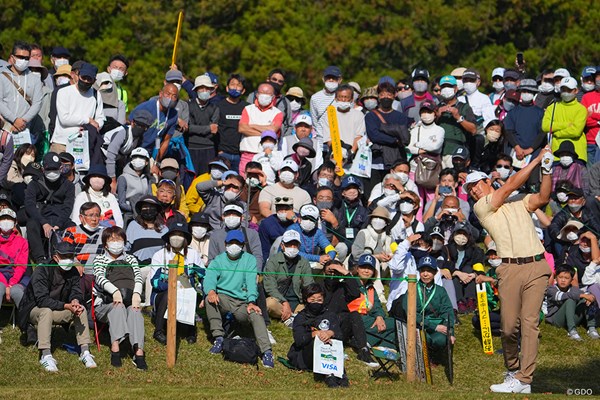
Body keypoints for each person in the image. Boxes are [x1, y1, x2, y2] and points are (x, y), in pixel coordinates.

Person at [466, 146, 554, 393]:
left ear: (487, 181)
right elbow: (509, 186)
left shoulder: (519, 200)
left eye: (475, 185)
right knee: (507, 327)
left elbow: (543, 199)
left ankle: (525, 379)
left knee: (529, 323)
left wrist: (546, 170)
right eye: (469, 189)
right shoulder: (481, 207)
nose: (473, 191)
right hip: (509, 268)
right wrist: (537, 159)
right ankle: (513, 370)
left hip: (536, 265)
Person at [18, 241, 96, 372]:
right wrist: (66, 305)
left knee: (80, 309)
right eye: (64, 256)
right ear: (55, 257)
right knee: (46, 311)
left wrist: (75, 301)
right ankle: (46, 355)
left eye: (71, 256)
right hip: (34, 310)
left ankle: (85, 352)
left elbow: (76, 291)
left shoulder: (73, 272)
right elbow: (42, 300)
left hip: (59, 309)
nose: (68, 260)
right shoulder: (41, 270)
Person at [204, 230, 274, 368]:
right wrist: (211, 291)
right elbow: (209, 277)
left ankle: (267, 351)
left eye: (238, 243)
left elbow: (251, 282)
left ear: (243, 245)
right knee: (209, 299)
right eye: (231, 242)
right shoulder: (218, 260)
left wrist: (252, 301)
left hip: (242, 302)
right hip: (224, 298)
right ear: (225, 244)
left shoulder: (249, 259)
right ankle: (218, 338)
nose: (234, 245)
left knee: (256, 314)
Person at [92, 226, 147, 369]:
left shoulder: (131, 259)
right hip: (105, 304)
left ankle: (138, 352)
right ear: (105, 244)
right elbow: (99, 278)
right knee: (118, 307)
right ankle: (115, 348)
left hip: (129, 300)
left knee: (135, 311)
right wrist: (115, 292)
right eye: (112, 239)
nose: (116, 242)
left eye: (119, 239)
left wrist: (136, 295)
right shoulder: (99, 259)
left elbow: (138, 278)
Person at [149, 221, 204, 345]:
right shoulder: (159, 255)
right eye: (174, 234)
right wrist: (172, 286)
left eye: (180, 235)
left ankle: (191, 330)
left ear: (185, 238)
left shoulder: (193, 254)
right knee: (169, 293)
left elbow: (203, 275)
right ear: (168, 237)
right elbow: (154, 281)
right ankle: (158, 330)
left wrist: (204, 292)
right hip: (163, 292)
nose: (177, 238)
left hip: (187, 291)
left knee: (191, 293)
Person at [287, 282, 348, 388]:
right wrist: (315, 334)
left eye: (319, 300)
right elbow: (299, 340)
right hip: (306, 355)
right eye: (312, 299)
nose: (316, 302)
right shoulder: (300, 317)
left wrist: (330, 333)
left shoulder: (330, 315)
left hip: (328, 352)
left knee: (332, 342)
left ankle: (340, 374)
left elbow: (340, 335)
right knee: (316, 341)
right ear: (306, 299)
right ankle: (329, 375)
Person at [390, 256, 455, 354]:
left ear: (435, 272)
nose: (425, 274)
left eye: (429, 271)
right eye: (422, 270)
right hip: (417, 325)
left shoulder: (441, 291)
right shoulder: (412, 289)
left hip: (436, 325)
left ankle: (434, 355)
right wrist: (433, 326)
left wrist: (449, 331)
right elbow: (409, 312)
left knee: (441, 339)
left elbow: (447, 312)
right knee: (423, 339)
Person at [25, 152, 75, 263]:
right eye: (49, 169)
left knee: (72, 227)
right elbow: (30, 205)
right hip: (41, 216)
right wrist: (44, 223)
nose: (52, 173)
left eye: (55, 169)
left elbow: (68, 206)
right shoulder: (34, 183)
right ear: (43, 169)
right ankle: (40, 259)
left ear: (61, 168)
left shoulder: (68, 185)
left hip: (59, 217)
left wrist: (58, 224)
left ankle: (67, 256)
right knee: (32, 224)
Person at [52, 62, 105, 157]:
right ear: (78, 76)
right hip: (62, 143)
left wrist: (92, 127)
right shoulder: (63, 92)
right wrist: (88, 120)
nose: (86, 81)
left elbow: (100, 118)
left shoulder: (96, 95)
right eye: (83, 77)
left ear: (94, 80)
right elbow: (64, 119)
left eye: (89, 79)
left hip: (84, 144)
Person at [365, 81, 409, 194]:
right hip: (375, 161)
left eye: (389, 95)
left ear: (394, 96)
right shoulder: (371, 116)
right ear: (378, 96)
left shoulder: (401, 117)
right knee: (374, 193)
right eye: (382, 95)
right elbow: (374, 135)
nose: (386, 97)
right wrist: (394, 139)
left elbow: (404, 137)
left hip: (395, 162)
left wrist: (383, 133)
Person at [263, 230, 314, 326]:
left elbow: (309, 284)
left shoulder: (304, 262)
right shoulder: (273, 261)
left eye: (295, 245)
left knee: (313, 306)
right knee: (269, 304)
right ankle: (292, 317)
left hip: (298, 302)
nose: (292, 248)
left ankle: (291, 317)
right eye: (289, 244)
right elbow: (270, 287)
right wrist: (284, 302)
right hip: (279, 301)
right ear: (282, 246)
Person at [349, 254, 396, 347]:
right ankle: (364, 341)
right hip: (355, 318)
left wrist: (379, 317)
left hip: (369, 318)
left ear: (374, 272)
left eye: (370, 268)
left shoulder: (371, 288)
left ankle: (385, 347)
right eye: (363, 267)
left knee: (391, 326)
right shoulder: (351, 283)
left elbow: (377, 306)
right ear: (357, 269)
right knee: (394, 324)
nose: (366, 271)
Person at [238, 82, 283, 174]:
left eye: (268, 93)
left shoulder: (278, 113)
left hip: (267, 154)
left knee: (266, 182)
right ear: (257, 94)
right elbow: (242, 128)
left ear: (273, 97)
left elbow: (273, 130)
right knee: (245, 182)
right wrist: (266, 133)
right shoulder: (248, 109)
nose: (264, 95)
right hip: (247, 153)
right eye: (262, 92)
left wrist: (252, 125)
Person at [351, 206, 394, 303]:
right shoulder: (363, 233)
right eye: (376, 218)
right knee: (375, 262)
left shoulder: (388, 237)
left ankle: (395, 286)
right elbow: (356, 254)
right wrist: (376, 257)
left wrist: (389, 257)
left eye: (382, 219)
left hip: (381, 269)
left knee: (392, 262)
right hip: (362, 265)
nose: (378, 221)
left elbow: (395, 252)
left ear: (386, 223)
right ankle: (379, 292)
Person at [129, 83, 178, 164]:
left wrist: (156, 162)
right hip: (134, 149)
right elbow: (129, 125)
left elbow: (166, 141)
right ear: (161, 94)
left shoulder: (173, 115)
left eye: (174, 96)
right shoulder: (145, 107)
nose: (170, 98)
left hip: (150, 153)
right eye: (168, 94)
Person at [104, 110, 153, 191]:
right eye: (139, 125)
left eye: (144, 127)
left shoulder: (139, 138)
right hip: (103, 157)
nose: (141, 129)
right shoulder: (122, 133)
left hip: (118, 161)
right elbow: (110, 156)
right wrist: (112, 180)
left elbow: (129, 157)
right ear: (133, 122)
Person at [545, 264, 597, 341]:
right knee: (570, 299)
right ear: (556, 278)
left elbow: (583, 295)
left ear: (571, 280)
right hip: (556, 319)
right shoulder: (551, 290)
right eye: (560, 277)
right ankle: (572, 331)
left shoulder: (573, 289)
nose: (563, 280)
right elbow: (562, 296)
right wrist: (582, 295)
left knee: (586, 299)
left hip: (571, 318)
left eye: (566, 278)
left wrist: (590, 298)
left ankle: (591, 327)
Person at [542, 77, 588, 163]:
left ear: (576, 91)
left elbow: (575, 131)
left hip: (577, 154)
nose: (566, 93)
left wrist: (557, 133)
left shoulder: (581, 109)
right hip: (556, 154)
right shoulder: (552, 107)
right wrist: (566, 125)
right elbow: (545, 126)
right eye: (563, 90)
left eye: (569, 90)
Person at [435, 75, 477, 168]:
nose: (446, 89)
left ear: (456, 88)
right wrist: (437, 116)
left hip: (455, 153)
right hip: (437, 153)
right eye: (443, 87)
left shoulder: (464, 107)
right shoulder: (436, 107)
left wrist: (458, 117)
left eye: (449, 86)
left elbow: (473, 130)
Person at [447, 222, 485, 313]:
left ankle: (471, 300)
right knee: (455, 279)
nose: (461, 236)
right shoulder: (447, 249)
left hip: (468, 276)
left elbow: (478, 265)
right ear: (454, 234)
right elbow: (445, 264)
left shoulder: (475, 250)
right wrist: (458, 273)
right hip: (454, 275)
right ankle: (459, 301)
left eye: (464, 234)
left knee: (468, 270)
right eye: (459, 233)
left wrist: (474, 274)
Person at [287, 204, 337, 271]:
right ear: (299, 218)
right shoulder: (292, 230)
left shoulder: (317, 232)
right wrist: (318, 258)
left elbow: (329, 247)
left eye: (312, 219)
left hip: (309, 263)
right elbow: (293, 252)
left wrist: (329, 256)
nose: (308, 221)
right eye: (305, 218)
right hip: (291, 263)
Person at [187, 74, 220, 175]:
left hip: (209, 148)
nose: (205, 91)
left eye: (207, 88)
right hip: (191, 148)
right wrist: (208, 128)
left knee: (206, 179)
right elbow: (187, 128)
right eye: (202, 88)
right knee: (191, 178)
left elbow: (213, 131)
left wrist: (195, 129)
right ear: (196, 90)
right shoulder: (188, 106)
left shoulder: (215, 108)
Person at [215, 73, 248, 172]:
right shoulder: (218, 106)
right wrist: (219, 150)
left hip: (240, 154)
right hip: (223, 153)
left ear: (243, 91)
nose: (235, 87)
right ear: (227, 88)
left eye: (238, 85)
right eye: (233, 84)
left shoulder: (247, 108)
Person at [318, 84, 365, 151]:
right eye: (340, 97)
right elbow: (328, 139)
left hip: (353, 153)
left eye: (346, 97)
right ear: (336, 98)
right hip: (335, 154)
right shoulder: (330, 115)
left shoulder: (359, 115)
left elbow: (359, 136)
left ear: (351, 99)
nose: (343, 99)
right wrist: (339, 152)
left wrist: (351, 152)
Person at [0, 208, 28, 315]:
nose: (6, 221)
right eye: (3, 219)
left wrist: (11, 284)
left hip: (17, 276)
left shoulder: (22, 242)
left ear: (15, 222)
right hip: (1, 276)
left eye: (9, 219)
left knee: (17, 292)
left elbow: (21, 266)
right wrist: (5, 284)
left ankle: (27, 323)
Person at [116, 147, 153, 224]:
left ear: (146, 162)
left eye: (141, 157)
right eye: (135, 157)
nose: (138, 159)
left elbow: (150, 197)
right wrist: (136, 209)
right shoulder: (123, 177)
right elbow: (122, 203)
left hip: (145, 213)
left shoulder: (147, 178)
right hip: (129, 214)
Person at [258, 195, 296, 262]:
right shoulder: (267, 223)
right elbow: (264, 249)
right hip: (275, 257)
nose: (283, 211)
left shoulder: (299, 219)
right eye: (280, 208)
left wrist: (294, 219)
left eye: (286, 209)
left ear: (292, 209)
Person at [310, 66, 343, 134]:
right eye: (328, 78)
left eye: (334, 78)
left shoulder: (344, 96)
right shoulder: (315, 98)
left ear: (339, 80)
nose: (331, 80)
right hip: (321, 139)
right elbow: (314, 121)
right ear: (323, 79)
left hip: (340, 138)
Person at [581, 68, 600, 163]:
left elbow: (589, 117)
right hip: (591, 142)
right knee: (591, 175)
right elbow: (584, 120)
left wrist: (594, 115)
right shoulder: (586, 97)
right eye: (598, 77)